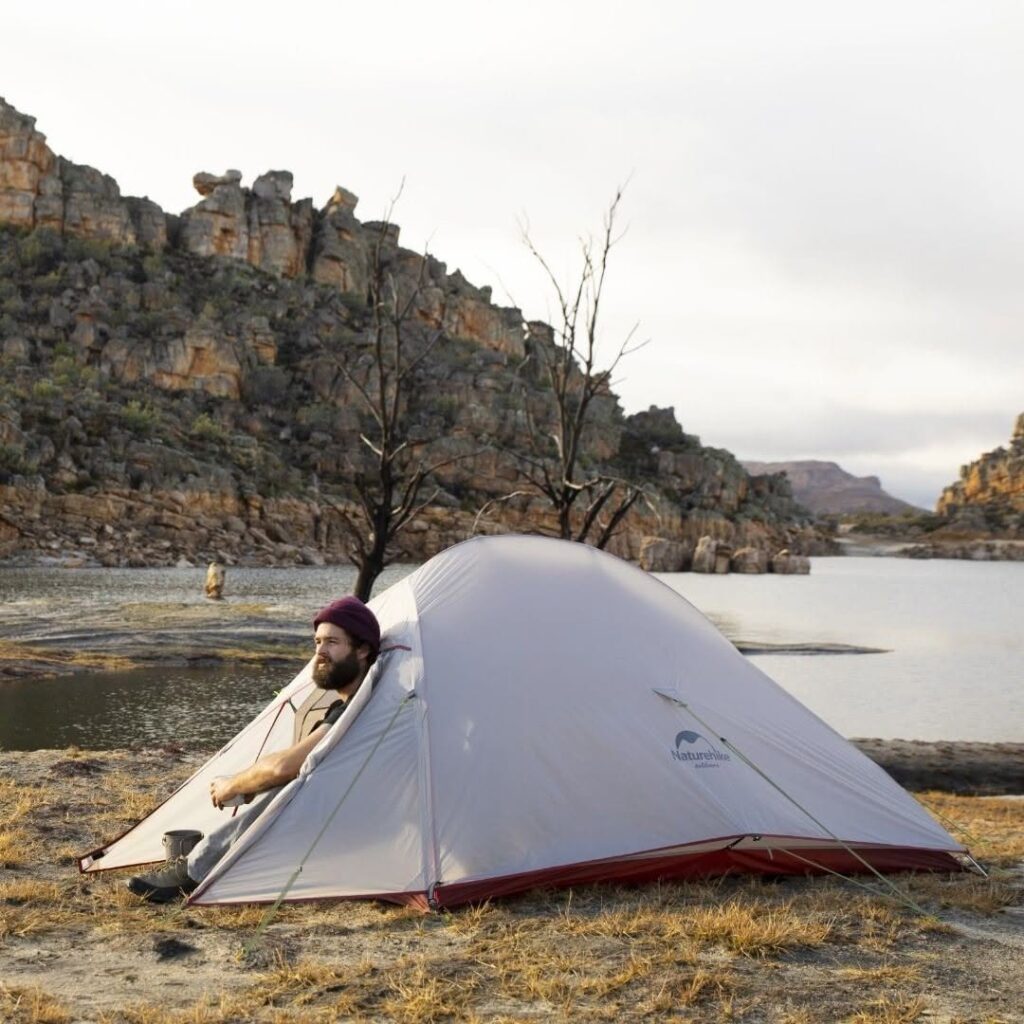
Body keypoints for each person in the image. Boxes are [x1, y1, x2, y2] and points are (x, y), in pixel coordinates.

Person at [126, 596, 381, 903]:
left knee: (299, 781)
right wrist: (251, 786)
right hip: (341, 820)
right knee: (297, 775)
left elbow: (286, 767)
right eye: (317, 642)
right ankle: (206, 859)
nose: (320, 652)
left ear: (362, 650)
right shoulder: (350, 704)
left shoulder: (357, 708)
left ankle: (195, 869)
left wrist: (232, 785)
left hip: (355, 827)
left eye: (332, 642)